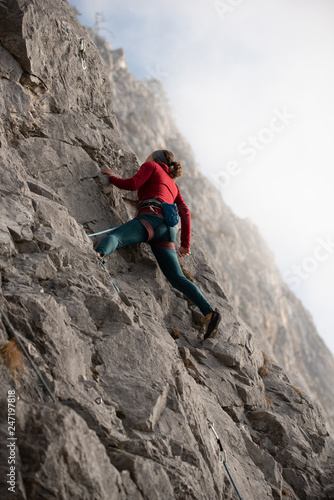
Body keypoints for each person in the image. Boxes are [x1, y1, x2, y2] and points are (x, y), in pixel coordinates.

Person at [95, 149, 221, 339]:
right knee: (177, 278)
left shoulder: (151, 166)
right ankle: (209, 313)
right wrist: (185, 243)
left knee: (118, 236)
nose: (146, 156)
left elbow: (133, 184)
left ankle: (99, 255)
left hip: (150, 218)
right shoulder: (174, 186)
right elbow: (185, 212)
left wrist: (112, 177)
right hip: (168, 232)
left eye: (150, 154)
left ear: (156, 158)